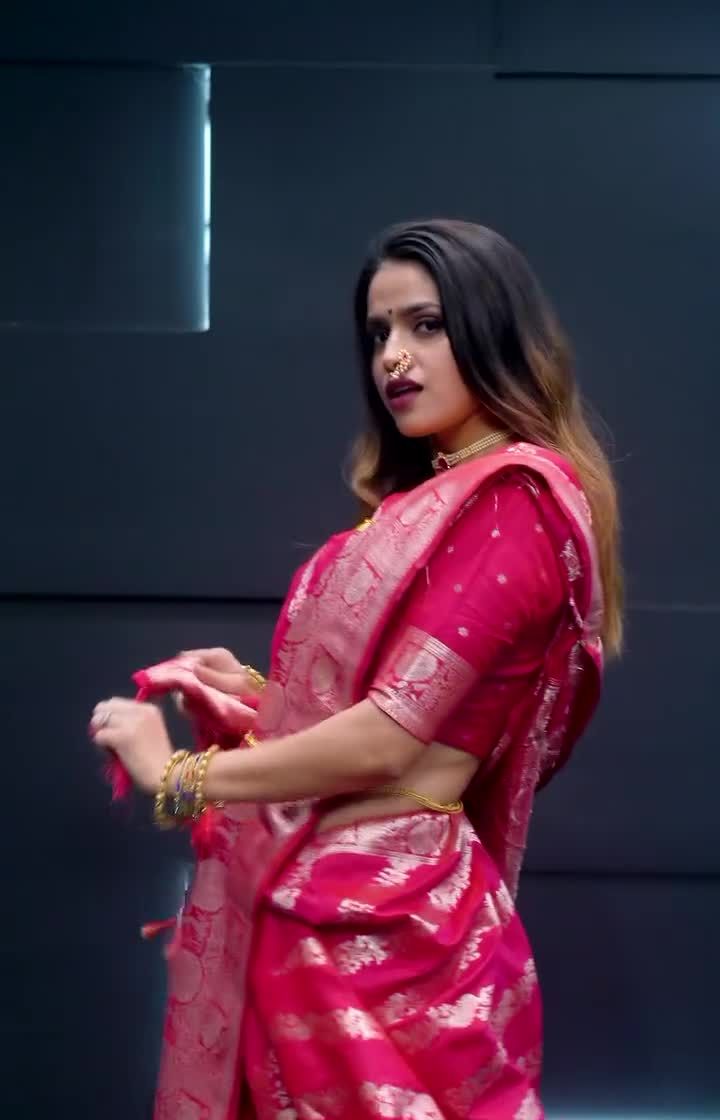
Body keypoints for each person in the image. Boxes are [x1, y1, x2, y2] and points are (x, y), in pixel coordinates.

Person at [90, 219, 621, 1120]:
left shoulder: (514, 500)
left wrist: (179, 775)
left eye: (426, 325)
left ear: (493, 331)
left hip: (384, 936)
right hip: (317, 904)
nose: (392, 358)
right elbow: (403, 708)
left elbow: (388, 743)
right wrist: (259, 696)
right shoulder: (435, 499)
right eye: (379, 334)